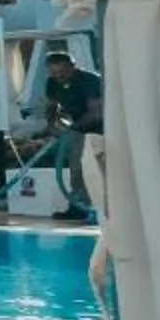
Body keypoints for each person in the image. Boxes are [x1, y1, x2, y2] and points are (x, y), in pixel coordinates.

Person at [41, 50, 104, 221]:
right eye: (54, 73)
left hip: (101, 129)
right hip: (79, 129)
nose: (59, 76)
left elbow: (96, 113)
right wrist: (51, 126)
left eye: (63, 72)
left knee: (88, 168)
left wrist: (72, 128)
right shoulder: (52, 83)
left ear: (73, 67)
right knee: (76, 168)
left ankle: (91, 208)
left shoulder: (89, 81)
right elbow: (52, 106)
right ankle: (79, 206)